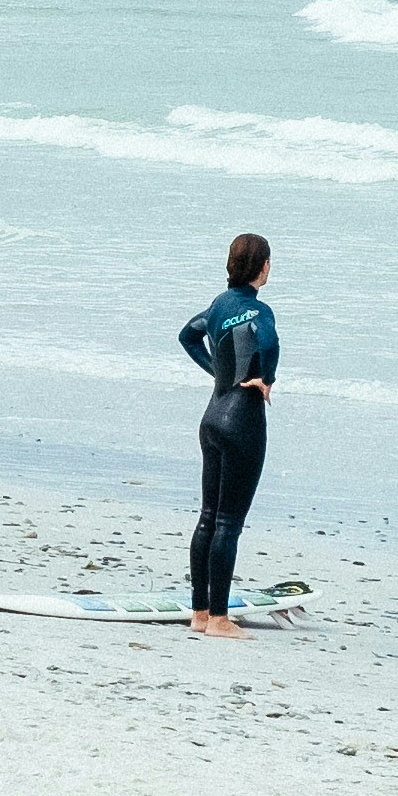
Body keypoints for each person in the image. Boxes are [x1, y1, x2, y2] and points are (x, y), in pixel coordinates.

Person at [177, 233, 278, 637]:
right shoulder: (260, 310)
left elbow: (188, 335)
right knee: (229, 522)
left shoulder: (219, 305)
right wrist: (265, 379)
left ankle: (200, 614)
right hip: (242, 422)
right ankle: (220, 619)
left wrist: (216, 371)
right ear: (263, 267)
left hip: (212, 418)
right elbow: (268, 342)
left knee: (208, 518)